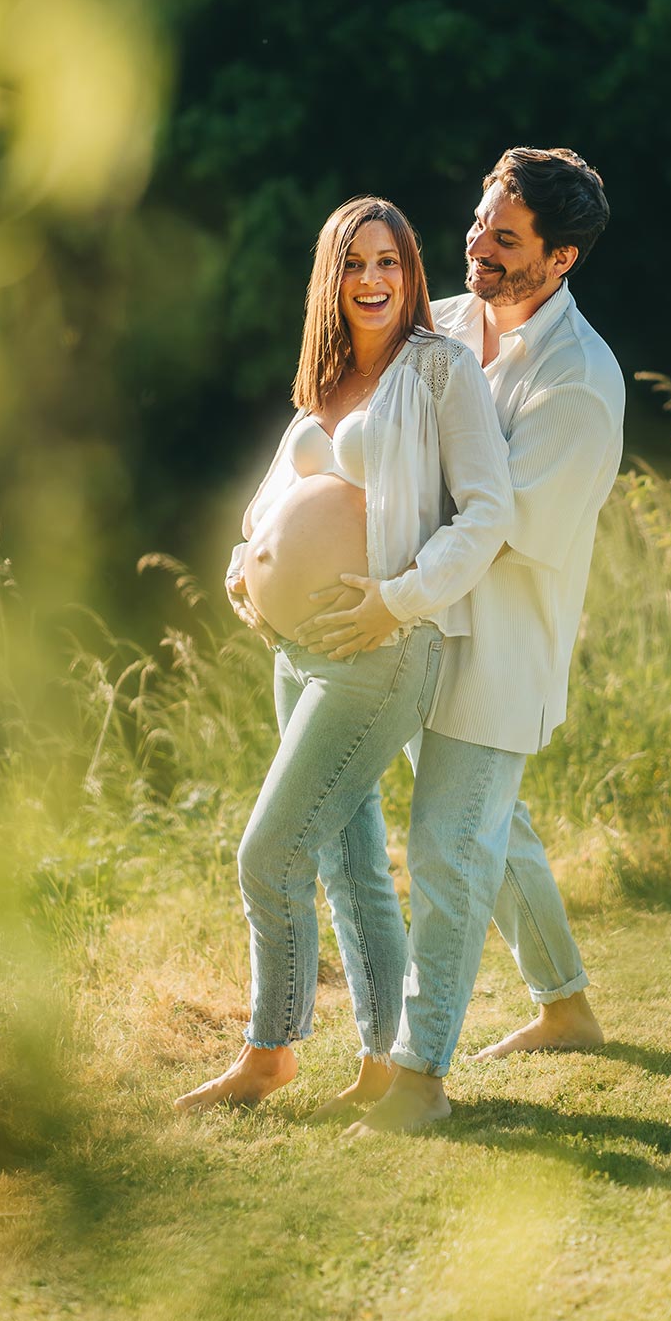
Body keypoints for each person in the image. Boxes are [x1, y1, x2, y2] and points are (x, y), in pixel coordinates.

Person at [300, 148, 624, 1134]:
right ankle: (565, 1006)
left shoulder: (578, 386)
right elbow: (336, 423)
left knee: (448, 849)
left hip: (497, 651)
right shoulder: (435, 324)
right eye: (480, 221)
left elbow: (486, 524)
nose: (476, 245)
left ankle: (420, 1079)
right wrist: (276, 533)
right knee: (495, 832)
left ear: (560, 258)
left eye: (507, 237)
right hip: (411, 630)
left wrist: (387, 571)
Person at [174, 196, 513, 1113]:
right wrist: (249, 566)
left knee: (269, 852)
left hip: (384, 648)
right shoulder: (323, 381)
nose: (373, 279)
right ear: (332, 277)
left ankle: (270, 1050)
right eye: (355, 263)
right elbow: (269, 503)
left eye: (390, 262)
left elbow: (487, 513)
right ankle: (374, 1064)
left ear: (413, 274)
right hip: (299, 653)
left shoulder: (441, 370)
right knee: (345, 859)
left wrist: (395, 601)